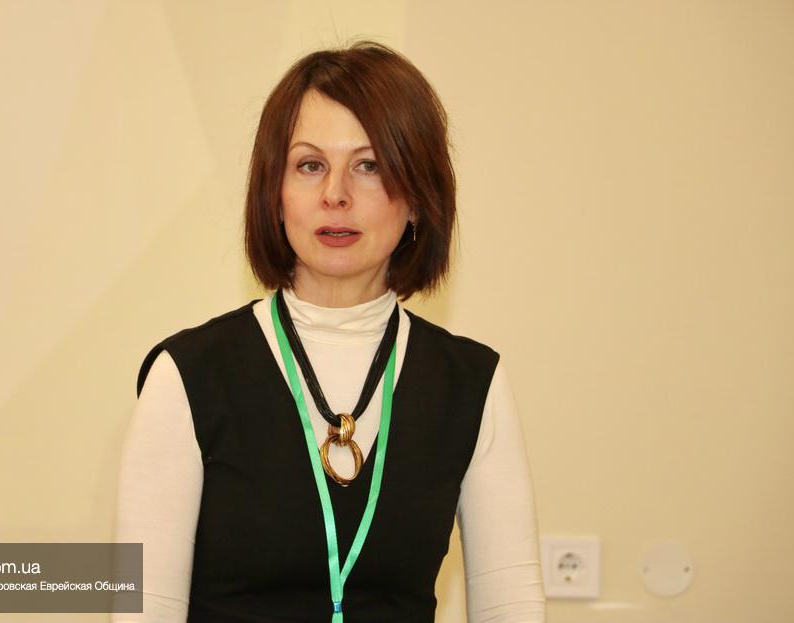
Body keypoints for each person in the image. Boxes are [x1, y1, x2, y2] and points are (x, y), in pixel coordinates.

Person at [114, 41, 545, 623]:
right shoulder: (187, 376)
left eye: (370, 166)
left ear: (417, 200)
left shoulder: (472, 384)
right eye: (310, 165)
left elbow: (510, 604)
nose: (335, 194)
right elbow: (143, 608)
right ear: (275, 196)